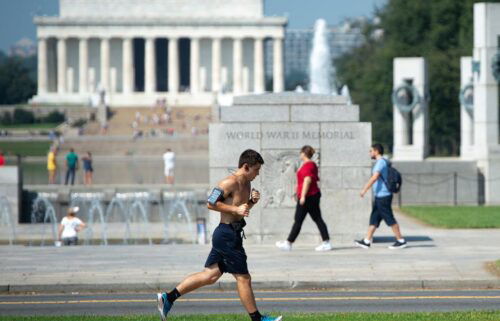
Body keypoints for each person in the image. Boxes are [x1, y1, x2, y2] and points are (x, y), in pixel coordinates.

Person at [156, 149, 281, 321]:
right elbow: (210, 203)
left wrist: (251, 203)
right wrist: (235, 209)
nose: (258, 174)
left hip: (232, 233)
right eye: (256, 169)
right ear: (246, 166)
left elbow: (240, 211)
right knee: (244, 278)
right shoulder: (229, 182)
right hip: (226, 235)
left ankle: (167, 298)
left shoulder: (247, 183)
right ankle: (257, 319)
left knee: (210, 275)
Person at [276, 145, 332, 252]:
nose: (299, 154)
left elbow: (307, 180)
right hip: (311, 195)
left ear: (303, 153)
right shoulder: (308, 164)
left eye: (301, 152)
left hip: (309, 196)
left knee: (299, 220)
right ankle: (326, 242)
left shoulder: (309, 165)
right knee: (316, 219)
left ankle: (288, 243)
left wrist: (302, 196)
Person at [355, 143, 407, 249]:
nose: (370, 153)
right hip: (380, 196)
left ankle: (400, 240)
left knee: (389, 218)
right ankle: (366, 241)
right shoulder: (382, 162)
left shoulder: (380, 163)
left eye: (371, 151)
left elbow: (374, 178)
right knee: (374, 219)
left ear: (376, 151)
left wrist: (364, 189)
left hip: (383, 196)